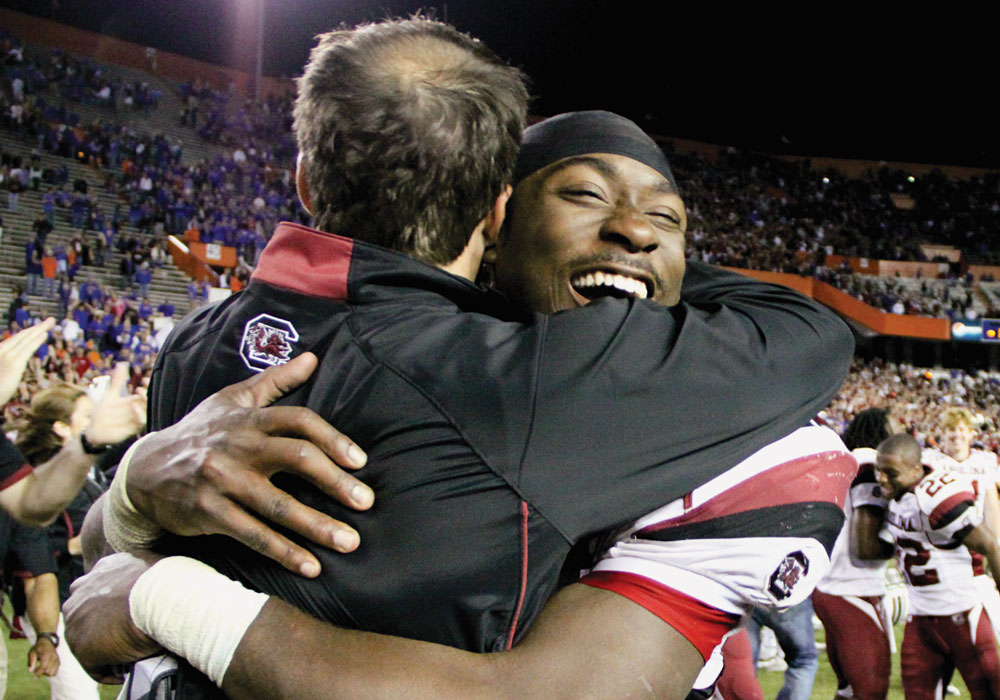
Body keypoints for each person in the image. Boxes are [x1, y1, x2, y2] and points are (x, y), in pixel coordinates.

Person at [69, 19, 852, 700]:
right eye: (582, 197)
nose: (634, 232)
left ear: (304, 181)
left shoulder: (194, 345)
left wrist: (139, 502)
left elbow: (104, 561)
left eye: (663, 219)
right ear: (498, 213)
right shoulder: (517, 376)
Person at [875, 434, 1000, 700]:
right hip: (921, 617)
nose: (883, 479)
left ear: (916, 469)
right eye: (879, 470)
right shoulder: (899, 494)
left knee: (989, 690)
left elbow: (991, 545)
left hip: (962, 614)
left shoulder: (935, 496)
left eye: (891, 473)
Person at [811, 408, 895, 700]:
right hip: (853, 588)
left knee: (847, 690)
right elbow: (865, 545)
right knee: (871, 690)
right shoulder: (871, 464)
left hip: (829, 586)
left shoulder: (844, 460)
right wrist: (905, 545)